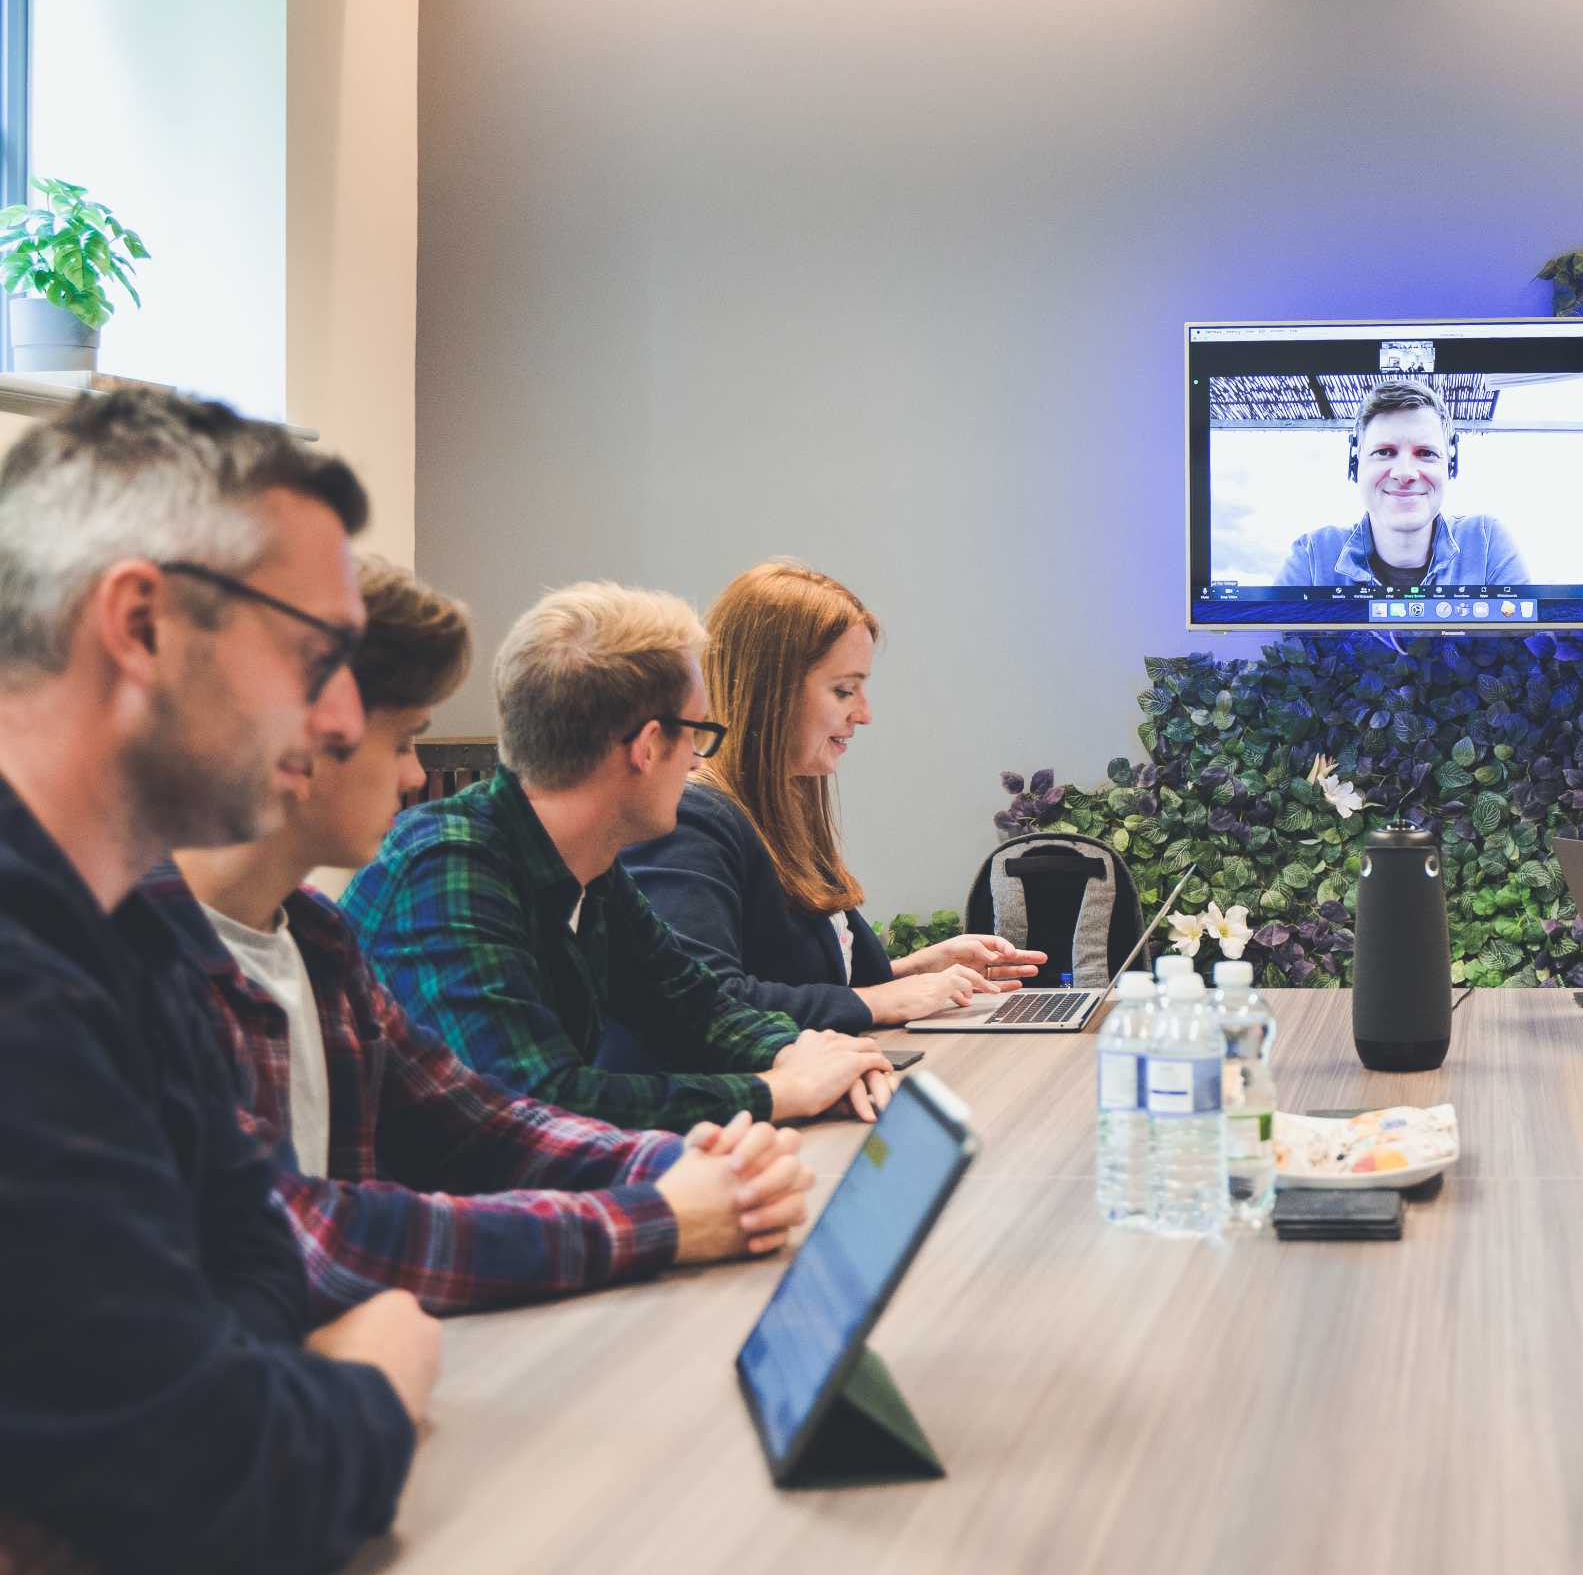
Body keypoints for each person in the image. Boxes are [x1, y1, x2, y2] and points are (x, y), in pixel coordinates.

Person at [0, 388, 427, 1575]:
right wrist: (375, 1370)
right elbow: (219, 1481)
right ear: (139, 622)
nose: (342, 715)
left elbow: (259, 1265)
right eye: (317, 653)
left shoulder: (126, 926)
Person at [152, 558, 817, 1321]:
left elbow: (478, 1120)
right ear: (305, 741)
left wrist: (684, 1164)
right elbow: (310, 1235)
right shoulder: (134, 960)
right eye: (404, 740)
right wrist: (663, 1216)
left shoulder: (314, 935)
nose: (412, 776)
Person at [343, 581, 895, 1134]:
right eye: (699, 735)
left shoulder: (589, 866)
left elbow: (693, 1006)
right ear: (649, 747)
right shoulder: (447, 870)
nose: (699, 764)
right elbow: (539, 1104)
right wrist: (774, 1091)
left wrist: (801, 1055)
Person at [622, 560, 1043, 1031]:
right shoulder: (690, 820)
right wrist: (881, 1002)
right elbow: (707, 998)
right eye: (844, 691)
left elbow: (807, 982)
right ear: (770, 690)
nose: (863, 714)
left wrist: (915, 971)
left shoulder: (782, 810)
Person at [1274, 380, 1532, 588]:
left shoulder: (1486, 541)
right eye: (1385, 452)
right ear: (1355, 465)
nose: (1405, 473)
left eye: (1426, 453)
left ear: (1450, 466)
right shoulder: (1312, 556)